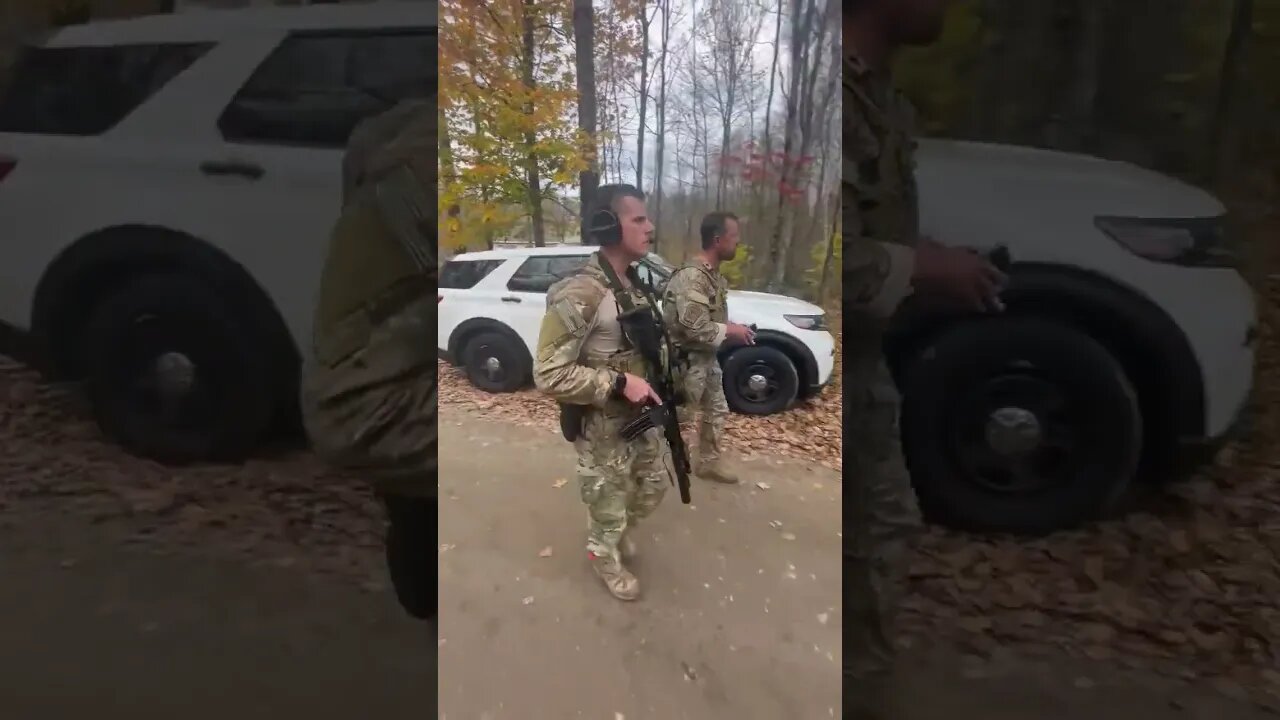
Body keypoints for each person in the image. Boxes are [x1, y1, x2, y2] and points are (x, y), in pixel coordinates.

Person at [845, 1, 1007, 717]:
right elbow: (816, 256)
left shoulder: (878, 98)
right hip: (826, 377)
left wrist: (930, 270)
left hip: (864, 370)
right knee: (850, 550)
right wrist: (923, 269)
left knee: (876, 539)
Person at [299, 98, 436, 624]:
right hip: (368, 404)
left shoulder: (392, 131)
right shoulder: (421, 160)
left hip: (379, 383)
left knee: (418, 517)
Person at [533, 183, 669, 602]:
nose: (650, 227)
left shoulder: (634, 283)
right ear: (609, 226)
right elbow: (548, 374)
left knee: (652, 485)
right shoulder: (583, 293)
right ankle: (602, 555)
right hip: (602, 426)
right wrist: (618, 383)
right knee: (607, 500)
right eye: (638, 219)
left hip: (641, 419)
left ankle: (615, 532)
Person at [661, 211, 757, 484]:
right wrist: (730, 331)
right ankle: (645, 466)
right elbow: (694, 328)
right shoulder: (693, 277)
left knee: (717, 410)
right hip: (686, 361)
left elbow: (706, 317)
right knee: (678, 415)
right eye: (734, 236)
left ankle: (708, 463)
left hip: (706, 358)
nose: (737, 242)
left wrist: (731, 326)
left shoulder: (712, 276)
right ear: (717, 240)